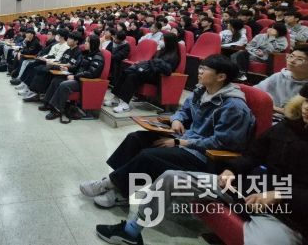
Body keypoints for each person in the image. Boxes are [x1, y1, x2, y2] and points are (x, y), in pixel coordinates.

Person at [95, 83, 308, 245]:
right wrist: (231, 170)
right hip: (245, 188)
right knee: (170, 177)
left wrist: (280, 194)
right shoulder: (287, 127)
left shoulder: (234, 106)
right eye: (307, 101)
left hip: (285, 214)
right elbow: (253, 155)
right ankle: (131, 231)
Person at [80, 55, 254, 208]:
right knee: (135, 138)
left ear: (221, 77)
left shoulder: (234, 107)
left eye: (205, 69)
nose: (199, 72)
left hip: (205, 156)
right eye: (200, 67)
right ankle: (117, 188)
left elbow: (224, 143)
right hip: (186, 140)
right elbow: (183, 110)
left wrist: (181, 142)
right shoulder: (201, 91)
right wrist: (177, 119)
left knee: (149, 155)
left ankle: (111, 186)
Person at [105, 33, 180, 113]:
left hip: (157, 77)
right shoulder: (161, 51)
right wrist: (153, 62)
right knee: (126, 72)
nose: (160, 41)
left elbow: (168, 71)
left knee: (132, 76)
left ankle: (125, 104)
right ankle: (116, 98)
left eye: (162, 39)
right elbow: (152, 60)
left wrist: (156, 62)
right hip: (149, 72)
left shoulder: (174, 56)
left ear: (168, 42)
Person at [39, 34, 105, 121]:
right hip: (78, 77)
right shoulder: (87, 53)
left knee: (64, 85)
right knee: (56, 80)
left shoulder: (98, 57)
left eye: (87, 42)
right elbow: (78, 67)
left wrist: (75, 76)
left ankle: (57, 110)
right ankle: (48, 103)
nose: (85, 43)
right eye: (85, 41)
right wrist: (68, 69)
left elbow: (91, 73)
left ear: (93, 44)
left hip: (84, 82)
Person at [255, 48, 308, 114]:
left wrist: (273, 108)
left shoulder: (306, 87)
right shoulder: (279, 76)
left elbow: (297, 114)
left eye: (300, 59)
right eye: (291, 56)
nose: (292, 61)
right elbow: (255, 91)